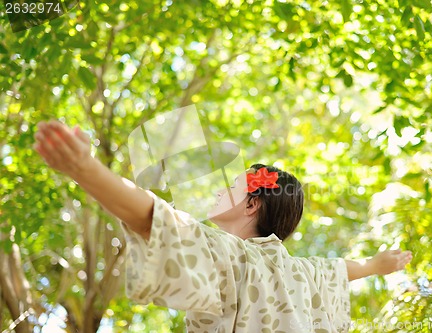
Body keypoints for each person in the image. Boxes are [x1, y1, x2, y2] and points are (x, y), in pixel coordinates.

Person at [33, 120, 412, 332]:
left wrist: (84, 169)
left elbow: (154, 218)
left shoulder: (229, 255)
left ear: (251, 203)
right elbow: (341, 270)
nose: (218, 188)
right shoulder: (302, 271)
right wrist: (376, 266)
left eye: (231, 185)